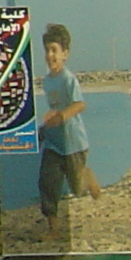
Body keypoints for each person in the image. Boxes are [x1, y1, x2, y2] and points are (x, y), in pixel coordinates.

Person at [36, 24, 93, 220]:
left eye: (54, 50)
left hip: (73, 143)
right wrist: (44, 128)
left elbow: (79, 104)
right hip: (54, 144)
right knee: (47, 183)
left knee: (77, 188)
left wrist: (60, 116)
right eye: (47, 50)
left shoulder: (69, 79)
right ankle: (52, 227)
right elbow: (54, 107)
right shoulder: (46, 81)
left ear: (65, 54)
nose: (50, 55)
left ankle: (88, 176)